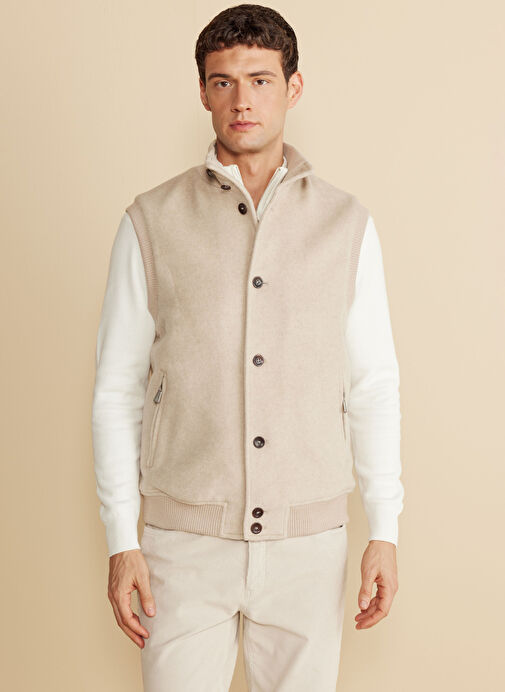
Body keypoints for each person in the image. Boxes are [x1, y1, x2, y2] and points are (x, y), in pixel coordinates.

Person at [91, 5, 404, 690]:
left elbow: (373, 383)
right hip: (182, 546)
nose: (242, 100)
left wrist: (384, 528)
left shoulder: (346, 224)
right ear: (203, 92)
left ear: (293, 88)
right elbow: (117, 389)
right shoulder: (151, 220)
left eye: (260, 80)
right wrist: (122, 540)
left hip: (307, 549)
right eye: (223, 81)